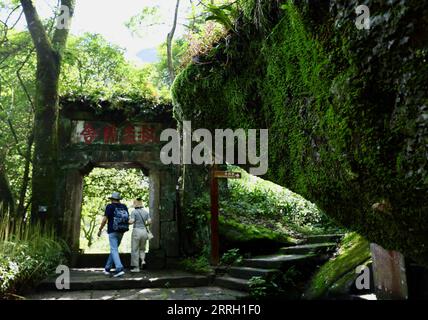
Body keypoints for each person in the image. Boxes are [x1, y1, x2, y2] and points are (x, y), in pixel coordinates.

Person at [98, 192, 129, 278]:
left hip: (112, 231)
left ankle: (119, 268)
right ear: (119, 199)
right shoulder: (124, 206)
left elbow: (105, 219)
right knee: (114, 249)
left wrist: (100, 229)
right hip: (121, 231)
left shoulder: (110, 206)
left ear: (112, 199)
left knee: (114, 249)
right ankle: (107, 268)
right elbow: (127, 220)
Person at [128, 198, 152, 273]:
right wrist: (145, 224)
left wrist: (126, 221)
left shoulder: (134, 212)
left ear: (135, 205)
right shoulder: (145, 212)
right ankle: (143, 261)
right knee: (142, 248)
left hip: (136, 231)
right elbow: (150, 221)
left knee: (135, 249)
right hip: (144, 232)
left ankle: (136, 267)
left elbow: (132, 221)